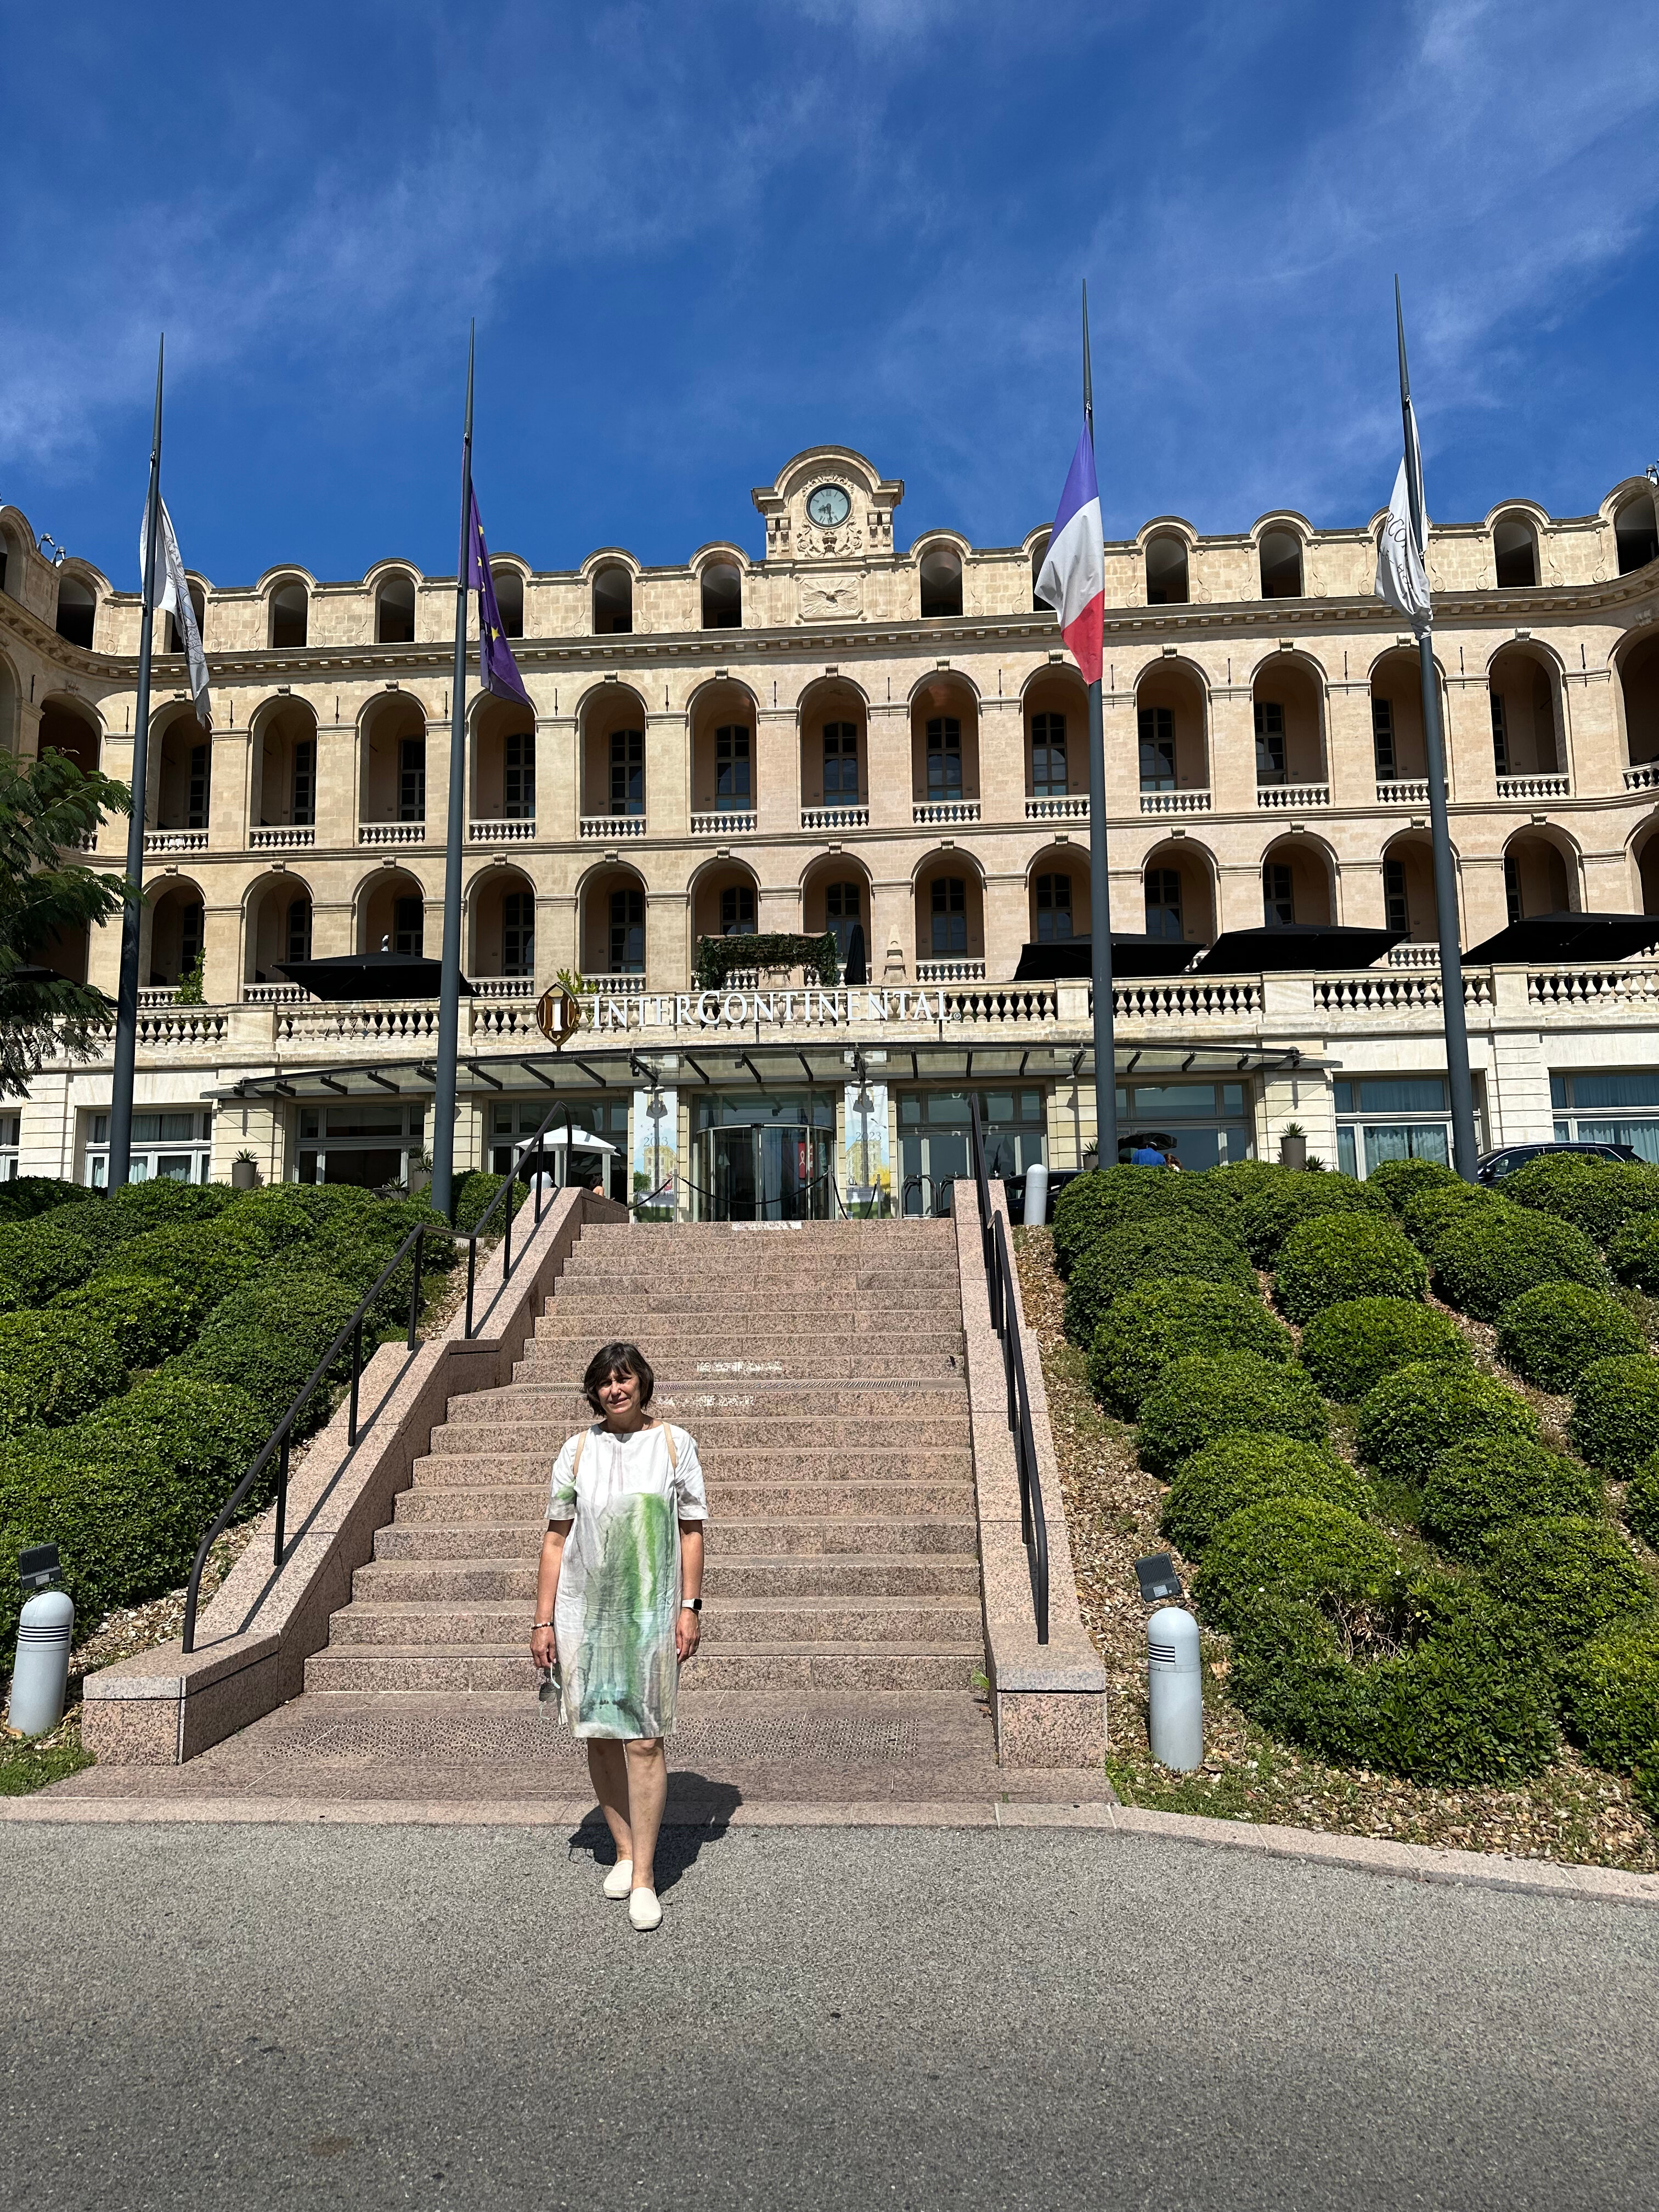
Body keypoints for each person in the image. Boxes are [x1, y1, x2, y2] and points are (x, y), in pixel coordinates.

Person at [530, 1342, 707, 1932]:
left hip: (652, 1613)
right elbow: (555, 1540)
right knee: (601, 1735)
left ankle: (644, 1877)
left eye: (624, 1379)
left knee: (645, 1740)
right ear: (594, 1391)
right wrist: (543, 1619)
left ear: (642, 1384)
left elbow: (690, 1531)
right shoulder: (577, 1450)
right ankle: (625, 1849)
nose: (615, 1390)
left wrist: (689, 1607)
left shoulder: (674, 1445)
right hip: (586, 1613)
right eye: (605, 1382)